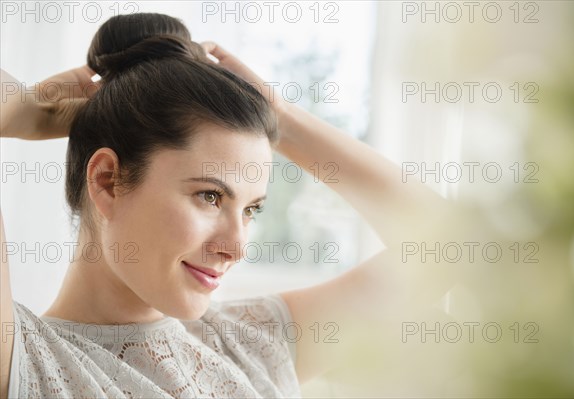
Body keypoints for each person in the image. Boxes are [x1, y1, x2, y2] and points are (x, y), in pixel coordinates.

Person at [1, 12, 450, 398]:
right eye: (210, 196)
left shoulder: (250, 344)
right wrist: (29, 109)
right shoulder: (24, 359)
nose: (236, 247)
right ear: (107, 181)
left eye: (252, 209)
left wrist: (281, 119)